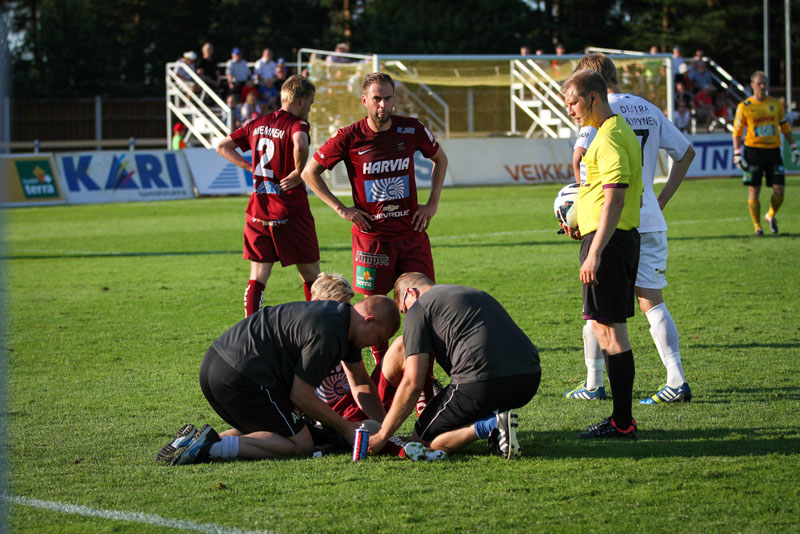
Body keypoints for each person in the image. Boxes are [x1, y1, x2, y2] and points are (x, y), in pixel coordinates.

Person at [566, 53, 695, 407]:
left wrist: (578, 209)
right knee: (652, 303)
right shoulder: (648, 108)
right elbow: (685, 153)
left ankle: (595, 382)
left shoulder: (599, 116)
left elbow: (579, 160)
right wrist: (661, 198)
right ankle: (675, 377)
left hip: (613, 220)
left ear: (592, 83)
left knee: (598, 305)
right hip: (649, 216)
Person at [300, 72, 447, 377]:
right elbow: (309, 172)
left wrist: (432, 203)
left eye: (388, 98)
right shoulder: (349, 136)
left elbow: (440, 160)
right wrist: (341, 208)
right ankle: (385, 377)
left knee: (426, 306)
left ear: (395, 98)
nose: (383, 104)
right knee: (375, 315)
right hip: (372, 240)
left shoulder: (411, 128)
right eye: (377, 98)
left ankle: (423, 380)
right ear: (365, 100)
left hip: (411, 235)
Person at [155, 295, 401, 465]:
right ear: (369, 319)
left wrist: (384, 429)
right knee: (300, 443)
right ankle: (209, 449)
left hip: (218, 364)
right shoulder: (329, 332)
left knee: (270, 430)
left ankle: (193, 444)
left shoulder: (342, 320)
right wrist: (346, 427)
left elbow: (359, 381)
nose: (376, 345)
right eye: (378, 337)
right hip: (241, 375)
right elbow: (301, 394)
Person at [367, 273, 541, 459]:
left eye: (404, 309)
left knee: (420, 443)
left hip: (482, 382)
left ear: (411, 293)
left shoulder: (419, 307)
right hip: (528, 378)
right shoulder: (474, 292)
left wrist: (383, 435)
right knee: (465, 407)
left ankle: (491, 425)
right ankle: (496, 430)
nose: (407, 316)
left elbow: (412, 383)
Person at [560, 69, 643, 439]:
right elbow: (601, 195)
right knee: (607, 329)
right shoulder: (613, 132)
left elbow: (616, 197)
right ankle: (621, 419)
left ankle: (621, 421)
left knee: (608, 332)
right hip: (609, 240)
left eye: (574, 102)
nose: (571, 111)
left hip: (608, 245)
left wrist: (595, 251)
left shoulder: (608, 137)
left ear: (594, 96)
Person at [216, 75, 321, 316]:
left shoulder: (257, 123)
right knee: (311, 275)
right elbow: (301, 143)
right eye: (311, 103)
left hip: (259, 209)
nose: (310, 108)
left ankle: (249, 330)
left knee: (258, 276)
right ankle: (319, 326)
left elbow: (222, 147)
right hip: (290, 209)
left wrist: (249, 166)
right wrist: (298, 171)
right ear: (301, 100)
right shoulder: (298, 124)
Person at [732, 71, 800, 236]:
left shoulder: (775, 104)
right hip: (753, 151)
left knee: (779, 189)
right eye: (759, 83)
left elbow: (784, 126)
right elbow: (737, 132)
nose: (762, 86)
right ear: (753, 85)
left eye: (765, 83)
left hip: (773, 152)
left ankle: (770, 215)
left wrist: (793, 146)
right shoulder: (744, 107)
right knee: (754, 190)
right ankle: (757, 226)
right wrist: (737, 153)